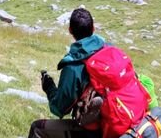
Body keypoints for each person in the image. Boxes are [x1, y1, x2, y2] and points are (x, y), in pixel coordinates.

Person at [28, 8, 104, 138]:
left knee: (37, 128)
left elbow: (59, 108)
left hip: (94, 131)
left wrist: (49, 87)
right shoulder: (109, 49)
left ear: (70, 30)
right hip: (121, 121)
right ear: (94, 28)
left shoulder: (74, 66)